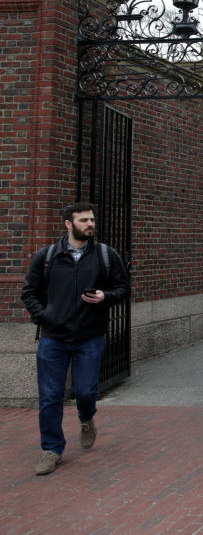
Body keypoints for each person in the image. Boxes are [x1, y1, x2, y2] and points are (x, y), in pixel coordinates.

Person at [20, 203, 130, 476]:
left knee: (84, 391)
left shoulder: (106, 255)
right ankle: (52, 449)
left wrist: (106, 297)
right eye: (84, 220)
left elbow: (123, 288)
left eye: (92, 219)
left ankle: (86, 417)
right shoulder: (47, 257)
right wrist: (44, 316)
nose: (90, 224)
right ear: (68, 224)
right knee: (49, 397)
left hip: (89, 337)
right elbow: (29, 292)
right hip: (53, 339)